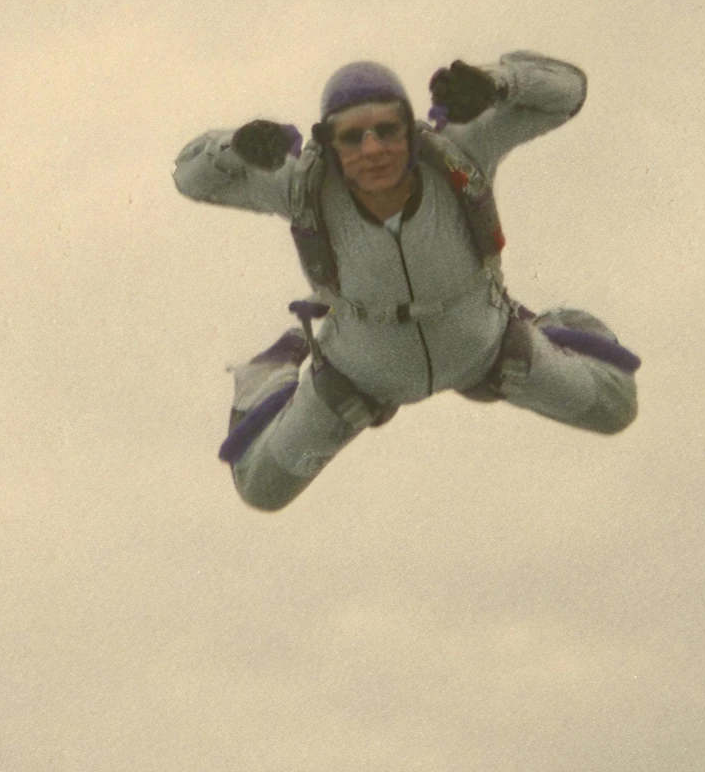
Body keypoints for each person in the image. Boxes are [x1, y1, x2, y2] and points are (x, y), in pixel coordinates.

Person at [172, 52, 639, 510]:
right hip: (361, 370)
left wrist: (497, 84)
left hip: (486, 343)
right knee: (261, 487)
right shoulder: (300, 186)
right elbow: (190, 177)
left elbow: (569, 92)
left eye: (387, 131)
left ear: (411, 132)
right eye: (353, 138)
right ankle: (267, 371)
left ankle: (554, 325)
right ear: (329, 145)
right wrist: (237, 146)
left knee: (615, 406)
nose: (372, 150)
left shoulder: (463, 151)